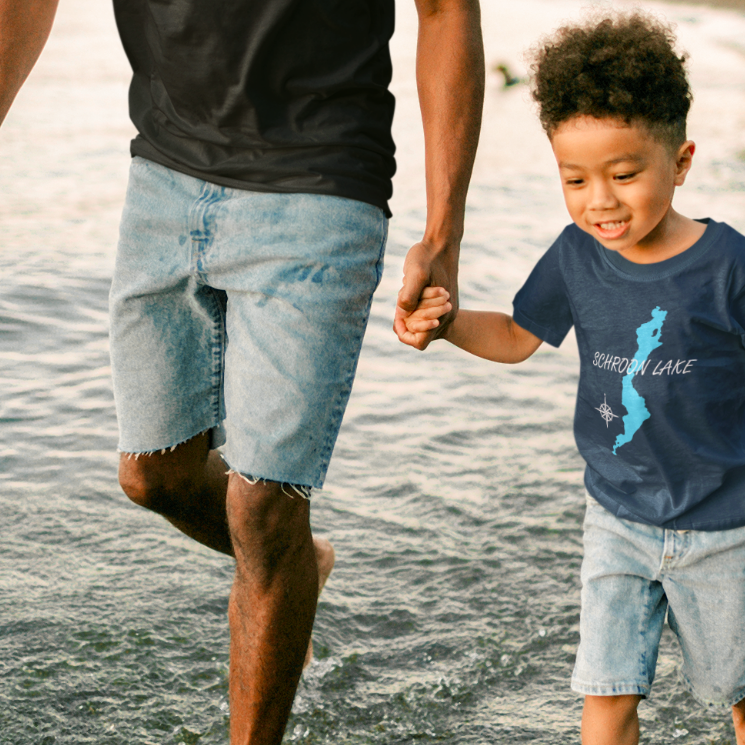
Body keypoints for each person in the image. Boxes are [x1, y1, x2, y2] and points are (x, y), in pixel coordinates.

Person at [1, 1, 484, 743]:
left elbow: (446, 9)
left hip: (321, 182)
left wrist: (442, 232)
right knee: (153, 474)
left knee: (263, 508)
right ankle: (302, 561)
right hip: (164, 171)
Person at [397, 11, 745, 744]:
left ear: (678, 163)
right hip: (616, 513)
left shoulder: (729, 263)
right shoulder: (574, 256)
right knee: (607, 688)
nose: (600, 201)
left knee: (722, 675)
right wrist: (448, 322)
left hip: (723, 518)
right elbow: (520, 335)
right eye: (574, 178)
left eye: (623, 175)